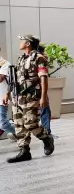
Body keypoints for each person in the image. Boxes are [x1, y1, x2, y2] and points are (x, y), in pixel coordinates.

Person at [4, 35, 54, 163]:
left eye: (22, 41)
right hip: (17, 97)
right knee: (19, 125)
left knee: (30, 123)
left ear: (28, 43)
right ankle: (24, 151)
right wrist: (7, 93)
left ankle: (46, 137)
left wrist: (43, 97)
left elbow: (43, 78)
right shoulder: (21, 58)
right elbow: (15, 80)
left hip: (31, 96)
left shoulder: (39, 58)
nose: (20, 43)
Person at [0, 48, 16, 140]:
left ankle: (19, 133)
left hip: (2, 98)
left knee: (3, 123)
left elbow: (1, 79)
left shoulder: (5, 64)